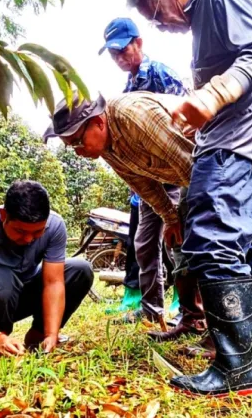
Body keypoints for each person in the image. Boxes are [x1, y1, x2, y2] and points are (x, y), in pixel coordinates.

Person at [127, 0, 252, 398]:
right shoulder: (205, 18)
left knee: (212, 244)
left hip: (233, 148)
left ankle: (237, 369)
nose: (161, 25)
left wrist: (213, 96)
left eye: (155, 14)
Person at [44, 91, 209, 337]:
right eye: (71, 147)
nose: (78, 152)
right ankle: (193, 321)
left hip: (211, 166)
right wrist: (171, 218)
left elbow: (192, 165)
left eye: (78, 141)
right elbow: (142, 183)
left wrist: (209, 220)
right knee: (180, 244)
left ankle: (227, 335)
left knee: (210, 246)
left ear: (98, 122)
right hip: (187, 174)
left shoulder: (135, 117)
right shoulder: (106, 146)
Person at [98, 17, 204, 338]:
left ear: (139, 43)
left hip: (179, 170)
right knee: (144, 244)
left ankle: (190, 312)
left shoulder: (160, 74)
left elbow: (186, 124)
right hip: (149, 180)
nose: (119, 58)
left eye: (122, 50)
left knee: (183, 240)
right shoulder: (126, 89)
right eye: (113, 54)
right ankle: (151, 310)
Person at [0, 180, 94, 356]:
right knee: (1, 278)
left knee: (80, 269)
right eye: (20, 231)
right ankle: (0, 340)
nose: (28, 239)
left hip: (26, 292)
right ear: (4, 216)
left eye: (37, 232)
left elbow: (53, 282)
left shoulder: (54, 225)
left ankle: (38, 337)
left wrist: (51, 333)